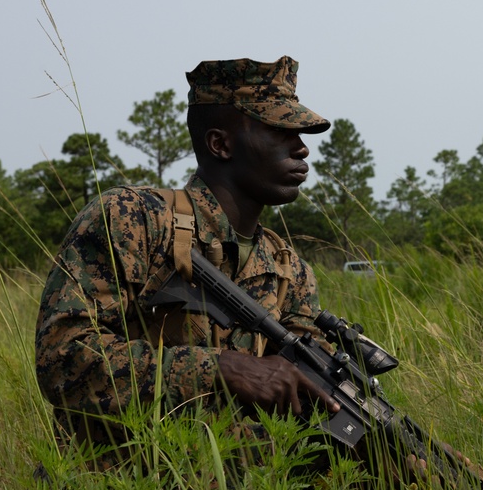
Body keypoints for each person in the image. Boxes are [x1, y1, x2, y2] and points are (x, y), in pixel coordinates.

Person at [35, 56, 341, 467]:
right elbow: (61, 360)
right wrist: (218, 370)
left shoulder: (291, 270)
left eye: (300, 134)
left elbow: (310, 402)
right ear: (220, 144)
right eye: (278, 131)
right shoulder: (133, 219)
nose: (302, 148)